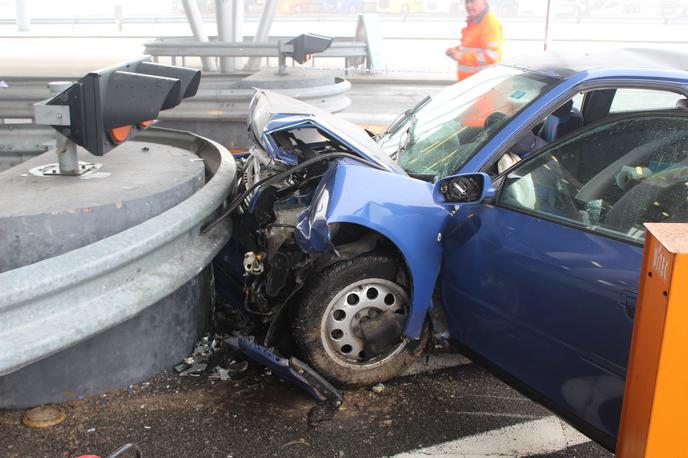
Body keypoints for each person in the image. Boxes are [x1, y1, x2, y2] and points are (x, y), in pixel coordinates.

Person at [445, 0, 503, 81]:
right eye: (467, 2)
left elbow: (492, 55)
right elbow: (469, 46)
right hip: (470, 84)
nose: (468, 5)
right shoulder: (474, 21)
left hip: (481, 84)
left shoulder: (490, 24)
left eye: (472, 1)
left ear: (484, 1)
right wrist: (455, 51)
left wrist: (461, 56)